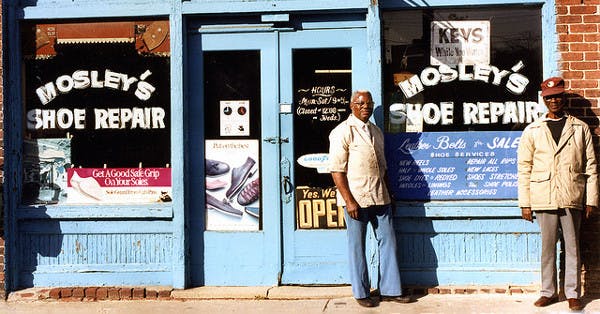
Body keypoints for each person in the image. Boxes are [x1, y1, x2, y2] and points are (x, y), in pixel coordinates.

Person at [517, 77, 598, 311]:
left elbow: (591, 167)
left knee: (573, 247)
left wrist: (591, 199)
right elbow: (524, 168)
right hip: (543, 196)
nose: (554, 101)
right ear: (544, 100)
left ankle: (573, 293)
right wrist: (525, 203)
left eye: (558, 96)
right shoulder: (533, 130)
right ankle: (548, 292)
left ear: (564, 98)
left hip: (572, 195)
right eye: (549, 97)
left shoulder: (579, 128)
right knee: (547, 248)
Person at [328, 90, 411, 307]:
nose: (366, 107)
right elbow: (337, 170)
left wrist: (390, 192)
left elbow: (382, 167)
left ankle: (390, 290)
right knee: (357, 245)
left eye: (369, 103)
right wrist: (349, 200)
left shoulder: (376, 131)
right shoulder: (342, 132)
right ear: (352, 105)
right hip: (356, 197)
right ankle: (361, 292)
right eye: (361, 103)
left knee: (389, 241)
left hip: (380, 194)